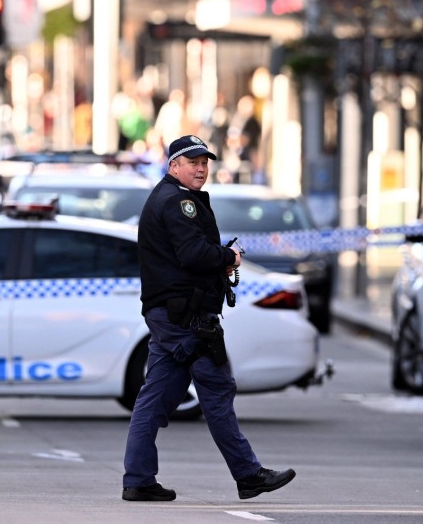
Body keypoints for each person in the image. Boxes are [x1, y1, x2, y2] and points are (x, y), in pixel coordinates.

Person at [122, 135, 296, 502]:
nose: (201, 169)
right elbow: (193, 255)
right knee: (217, 391)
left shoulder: (170, 197)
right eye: (192, 162)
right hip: (186, 317)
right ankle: (249, 475)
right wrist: (228, 256)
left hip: (173, 314)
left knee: (153, 400)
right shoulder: (178, 201)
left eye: (205, 162)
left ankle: (138, 479)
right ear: (174, 166)